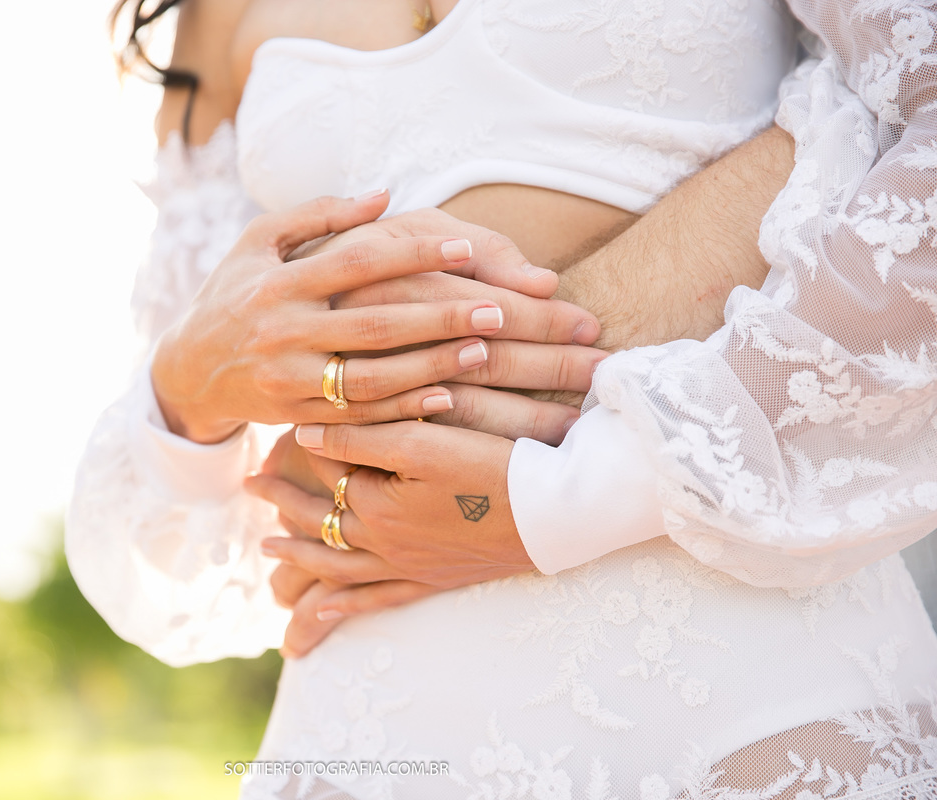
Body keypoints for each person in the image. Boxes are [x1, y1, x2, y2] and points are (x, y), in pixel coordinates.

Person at [67, 1, 937, 797]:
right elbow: (177, 566)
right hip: (368, 737)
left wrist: (577, 489)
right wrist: (189, 389)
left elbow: (917, 120)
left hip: (747, 690)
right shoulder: (216, 18)